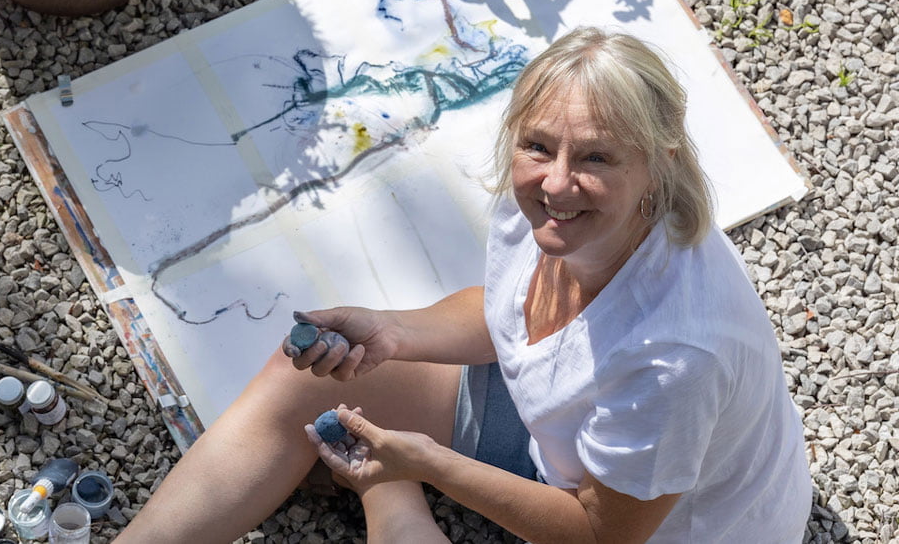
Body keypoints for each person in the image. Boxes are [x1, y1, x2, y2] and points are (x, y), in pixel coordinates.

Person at [113, 27, 812, 543]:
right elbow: (507, 312)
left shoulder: (676, 359)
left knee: (393, 483)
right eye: (538, 145)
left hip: (658, 529)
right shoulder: (542, 206)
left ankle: (392, 495)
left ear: (658, 166)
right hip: (567, 445)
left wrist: (425, 466)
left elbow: (599, 534)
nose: (557, 182)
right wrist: (394, 332)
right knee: (309, 378)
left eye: (596, 157)